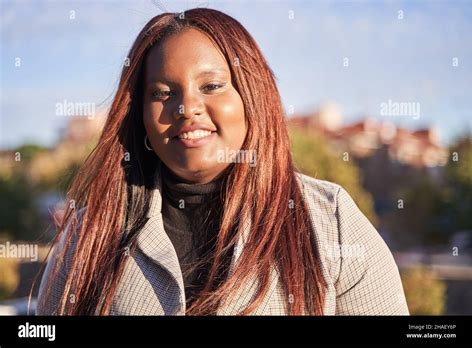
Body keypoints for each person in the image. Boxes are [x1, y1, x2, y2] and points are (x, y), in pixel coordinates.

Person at [36, 8, 409, 316]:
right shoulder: (90, 235)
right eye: (162, 93)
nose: (186, 109)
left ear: (252, 97)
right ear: (141, 117)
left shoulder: (331, 223)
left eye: (211, 86)